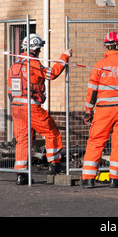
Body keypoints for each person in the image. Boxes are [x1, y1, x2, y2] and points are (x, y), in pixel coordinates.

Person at [7, 33, 72, 185]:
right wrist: (64, 56)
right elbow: (51, 74)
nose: (40, 52)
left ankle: (21, 175)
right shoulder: (33, 64)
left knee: (22, 141)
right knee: (51, 132)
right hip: (31, 107)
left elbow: (10, 91)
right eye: (39, 49)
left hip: (16, 108)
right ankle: (54, 164)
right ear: (34, 49)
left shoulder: (14, 65)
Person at [81, 31, 118, 189]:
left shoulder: (100, 65)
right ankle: (115, 179)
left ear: (106, 47)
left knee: (96, 142)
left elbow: (92, 91)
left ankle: (88, 179)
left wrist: (88, 111)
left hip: (103, 111)